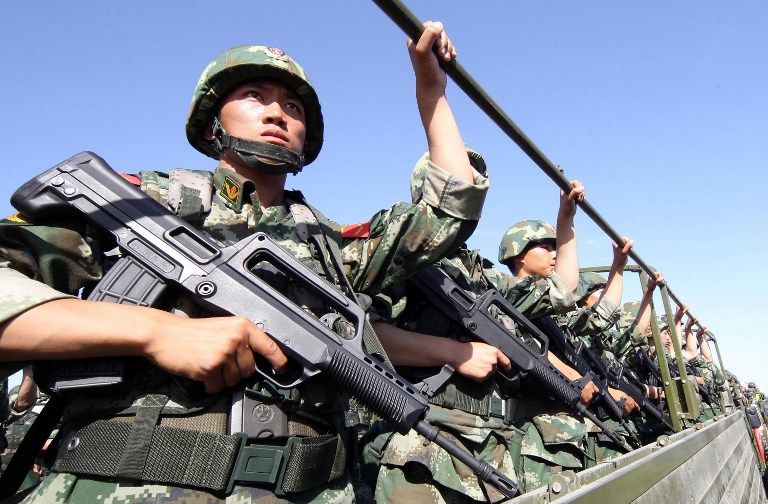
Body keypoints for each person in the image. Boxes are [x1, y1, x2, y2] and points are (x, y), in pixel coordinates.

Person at [0, 22, 489, 502]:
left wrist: (432, 92)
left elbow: (447, 212)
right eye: (255, 95)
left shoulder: (330, 244)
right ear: (213, 121)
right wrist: (153, 331)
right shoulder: (139, 203)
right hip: (130, 483)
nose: (277, 113)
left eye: (293, 106)